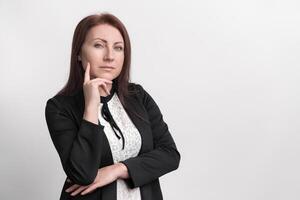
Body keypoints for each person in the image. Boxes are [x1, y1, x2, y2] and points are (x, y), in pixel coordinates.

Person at [45, 12, 180, 200]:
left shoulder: (138, 96)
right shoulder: (60, 107)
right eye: (99, 45)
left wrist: (117, 170)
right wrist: (91, 108)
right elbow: (82, 174)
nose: (110, 56)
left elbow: (170, 155)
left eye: (118, 48)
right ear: (78, 53)